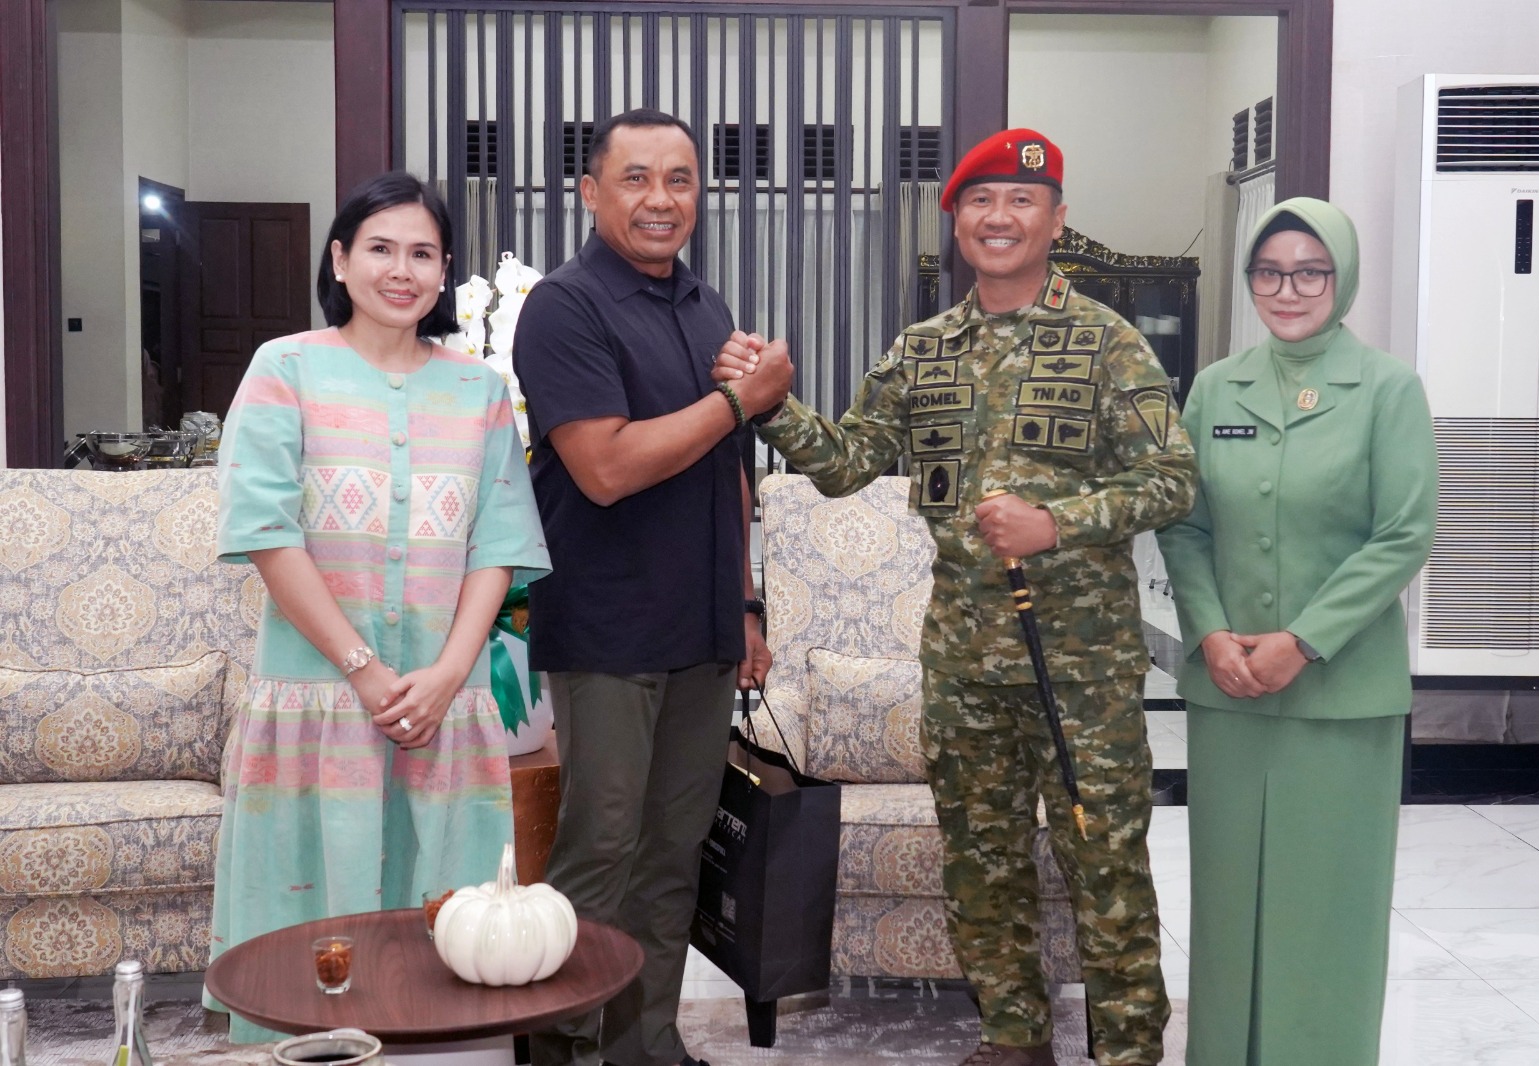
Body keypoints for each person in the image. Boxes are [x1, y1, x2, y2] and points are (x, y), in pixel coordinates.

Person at [714, 129, 1194, 1066]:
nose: (998, 217)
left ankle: (1129, 1051)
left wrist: (1057, 523)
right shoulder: (925, 350)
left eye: (1021, 201)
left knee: (1105, 866)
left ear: (1056, 219)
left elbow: (1173, 481)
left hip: (1080, 671)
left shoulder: (1109, 343)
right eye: (980, 201)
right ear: (957, 221)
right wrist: (769, 403)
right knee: (981, 863)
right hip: (964, 666)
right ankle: (1013, 1040)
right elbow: (849, 463)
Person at [205, 170, 550, 1043]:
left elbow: (499, 546)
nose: (402, 271)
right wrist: (363, 671)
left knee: (449, 939)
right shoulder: (284, 369)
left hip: (445, 705)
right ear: (340, 260)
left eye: (423, 254)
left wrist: (446, 675)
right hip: (318, 704)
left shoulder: (478, 392)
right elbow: (266, 534)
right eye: (381, 249)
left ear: (445, 271)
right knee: (309, 946)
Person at [511, 108, 791, 1066]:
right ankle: (564, 1050)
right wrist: (736, 399)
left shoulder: (706, 306)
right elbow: (605, 468)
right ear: (591, 193)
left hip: (704, 628)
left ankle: (648, 1046)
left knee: (674, 855)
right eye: (635, 178)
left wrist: (744, 603)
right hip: (609, 627)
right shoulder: (566, 307)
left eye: (679, 178)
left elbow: (730, 469)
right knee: (601, 850)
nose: (660, 199)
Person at [1156, 197, 1438, 1066]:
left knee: (1326, 902)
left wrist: (1303, 640)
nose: (1288, 290)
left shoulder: (1387, 388)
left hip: (1341, 694)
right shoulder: (1216, 388)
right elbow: (1185, 525)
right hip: (1229, 689)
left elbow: (1404, 533)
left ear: (1341, 278)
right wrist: (1210, 634)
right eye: (1270, 272)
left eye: (1310, 272)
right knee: (1229, 899)